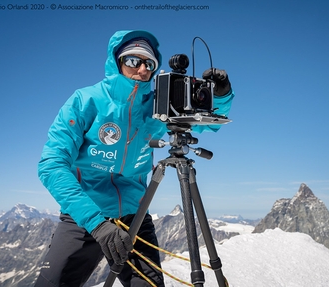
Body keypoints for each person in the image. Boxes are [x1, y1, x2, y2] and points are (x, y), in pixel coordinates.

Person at [35, 29, 234, 287]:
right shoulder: (86, 101)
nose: (142, 69)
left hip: (134, 218)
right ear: (117, 61)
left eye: (149, 64)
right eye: (133, 61)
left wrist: (221, 96)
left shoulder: (158, 106)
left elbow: (206, 122)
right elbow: (51, 165)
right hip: (84, 218)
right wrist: (97, 224)